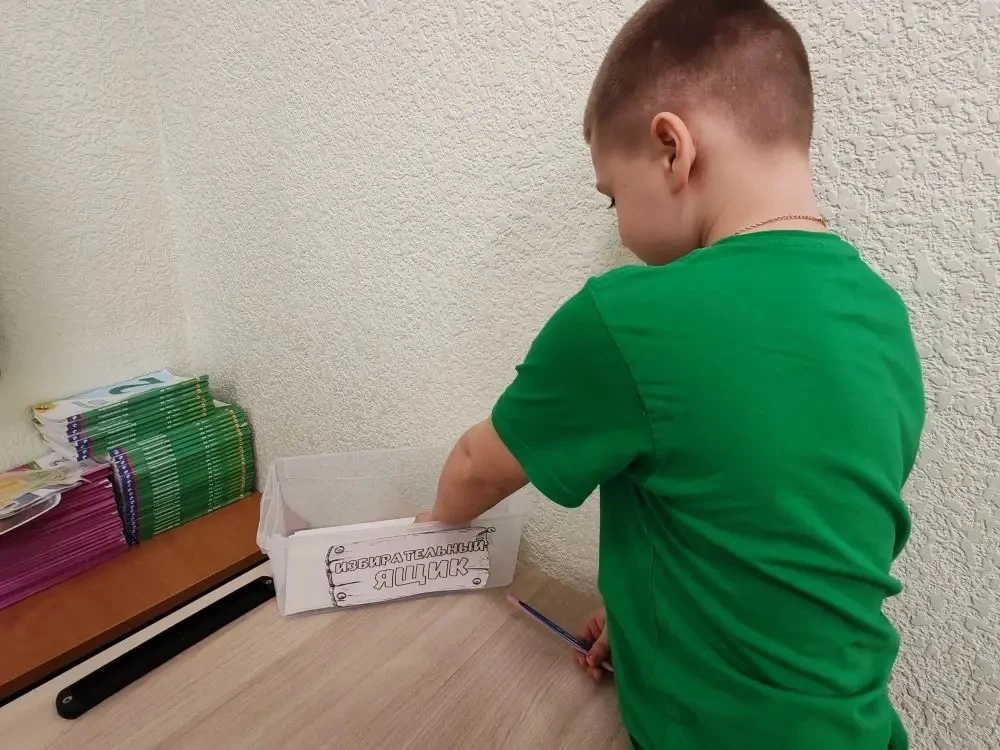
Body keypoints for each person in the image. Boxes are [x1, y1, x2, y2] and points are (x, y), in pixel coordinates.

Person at [417, 1, 924, 747]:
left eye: (612, 197)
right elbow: (783, 536)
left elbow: (475, 467)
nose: (618, 224)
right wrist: (646, 619)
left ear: (671, 148)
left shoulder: (630, 318)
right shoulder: (882, 316)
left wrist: (426, 538)